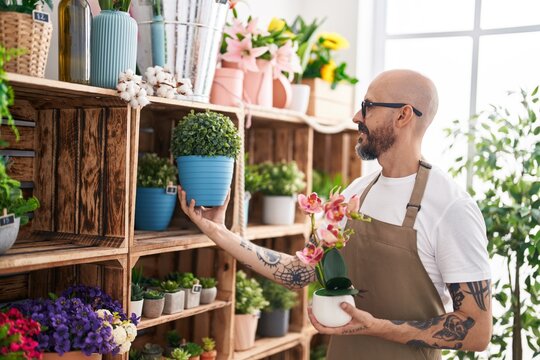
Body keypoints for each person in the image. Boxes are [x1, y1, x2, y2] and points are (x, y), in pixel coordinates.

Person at [177, 69, 492, 359]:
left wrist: (376, 327)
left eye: (367, 106)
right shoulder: (355, 192)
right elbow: (300, 273)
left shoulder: (451, 208)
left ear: (403, 115)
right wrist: (218, 230)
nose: (357, 116)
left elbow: (476, 331)